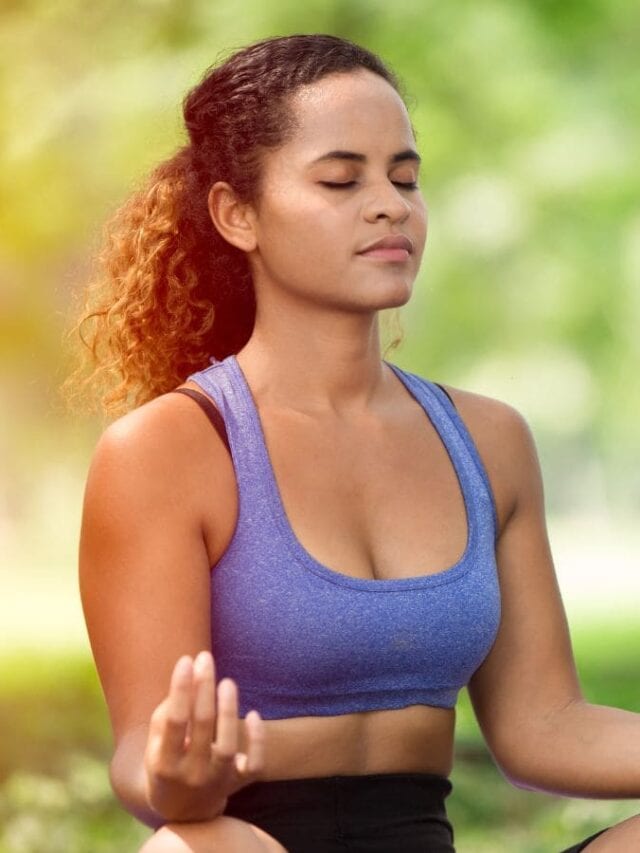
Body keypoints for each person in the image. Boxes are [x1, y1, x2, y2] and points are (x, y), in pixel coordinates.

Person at [65, 33, 640, 853]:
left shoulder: (490, 440)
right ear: (238, 215)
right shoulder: (169, 449)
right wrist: (178, 780)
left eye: (405, 178)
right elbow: (140, 755)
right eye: (342, 179)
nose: (390, 204)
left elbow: (545, 724)